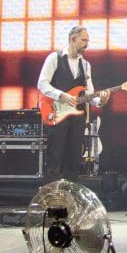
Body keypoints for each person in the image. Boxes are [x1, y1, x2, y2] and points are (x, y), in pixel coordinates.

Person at [36, 25, 105, 182]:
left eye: (87, 41)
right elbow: (42, 83)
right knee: (55, 158)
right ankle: (52, 195)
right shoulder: (54, 58)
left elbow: (88, 93)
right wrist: (61, 95)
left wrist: (99, 101)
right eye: (84, 40)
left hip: (77, 116)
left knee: (74, 159)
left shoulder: (86, 65)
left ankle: (70, 194)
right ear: (73, 39)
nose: (87, 44)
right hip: (56, 113)